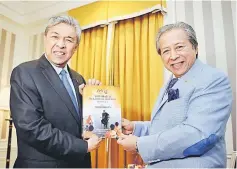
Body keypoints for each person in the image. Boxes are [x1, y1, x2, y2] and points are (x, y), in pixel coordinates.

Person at [118, 22, 233, 168]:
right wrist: (135, 128)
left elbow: (197, 135)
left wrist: (139, 144)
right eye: (166, 51)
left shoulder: (212, 79)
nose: (173, 56)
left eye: (179, 47)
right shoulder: (171, 83)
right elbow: (168, 127)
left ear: (195, 48)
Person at [10, 15, 102, 168]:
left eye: (69, 40)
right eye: (55, 37)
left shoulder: (79, 79)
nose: (61, 44)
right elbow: (31, 127)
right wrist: (83, 147)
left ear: (76, 47)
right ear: (45, 38)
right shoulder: (25, 72)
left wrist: (93, 97)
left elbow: (84, 124)